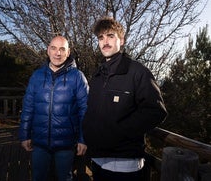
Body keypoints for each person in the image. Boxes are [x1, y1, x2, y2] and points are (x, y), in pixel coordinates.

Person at [82, 17, 167, 181]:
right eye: (101, 38)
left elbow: (156, 111)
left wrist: (118, 132)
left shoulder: (137, 72)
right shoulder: (98, 76)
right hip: (98, 160)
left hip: (125, 164)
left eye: (110, 36)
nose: (105, 42)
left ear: (121, 40)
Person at [19, 36, 89, 181]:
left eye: (62, 49)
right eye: (54, 48)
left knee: (64, 178)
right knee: (38, 177)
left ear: (68, 52)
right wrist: (24, 134)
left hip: (66, 144)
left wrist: (83, 138)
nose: (58, 53)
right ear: (48, 51)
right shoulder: (36, 76)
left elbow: (85, 110)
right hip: (39, 143)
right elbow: (28, 107)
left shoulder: (78, 77)